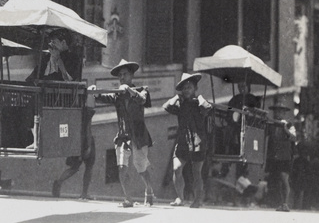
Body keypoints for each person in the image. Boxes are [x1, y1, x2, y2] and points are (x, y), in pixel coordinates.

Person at [88, 59, 154, 207]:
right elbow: (105, 97)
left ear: (131, 76)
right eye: (120, 75)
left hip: (138, 136)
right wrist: (95, 92)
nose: (122, 78)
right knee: (122, 168)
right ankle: (128, 199)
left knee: (141, 168)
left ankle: (149, 190)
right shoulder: (118, 95)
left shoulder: (142, 90)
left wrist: (129, 90)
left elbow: (142, 100)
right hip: (123, 136)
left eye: (125, 74)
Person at [163, 73, 212, 208]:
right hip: (183, 141)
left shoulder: (199, 103)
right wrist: (176, 97)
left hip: (198, 142)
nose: (186, 90)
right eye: (184, 88)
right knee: (177, 168)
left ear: (195, 88)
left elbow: (208, 109)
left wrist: (200, 98)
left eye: (189, 87)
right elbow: (166, 106)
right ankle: (180, 197)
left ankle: (197, 200)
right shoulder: (180, 104)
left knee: (196, 173)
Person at [51, 107, 96, 200]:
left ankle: (59, 182)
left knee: (74, 168)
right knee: (88, 167)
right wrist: (88, 146)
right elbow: (88, 129)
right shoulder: (87, 112)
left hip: (76, 141)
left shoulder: (72, 112)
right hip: (85, 142)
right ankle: (84, 193)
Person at [265, 102, 297, 212]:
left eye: (281, 111)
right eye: (277, 111)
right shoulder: (272, 125)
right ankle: (280, 203)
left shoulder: (289, 125)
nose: (278, 113)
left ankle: (286, 203)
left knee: (284, 178)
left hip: (285, 156)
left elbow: (293, 138)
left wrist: (284, 128)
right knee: (276, 180)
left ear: (284, 113)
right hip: (274, 156)